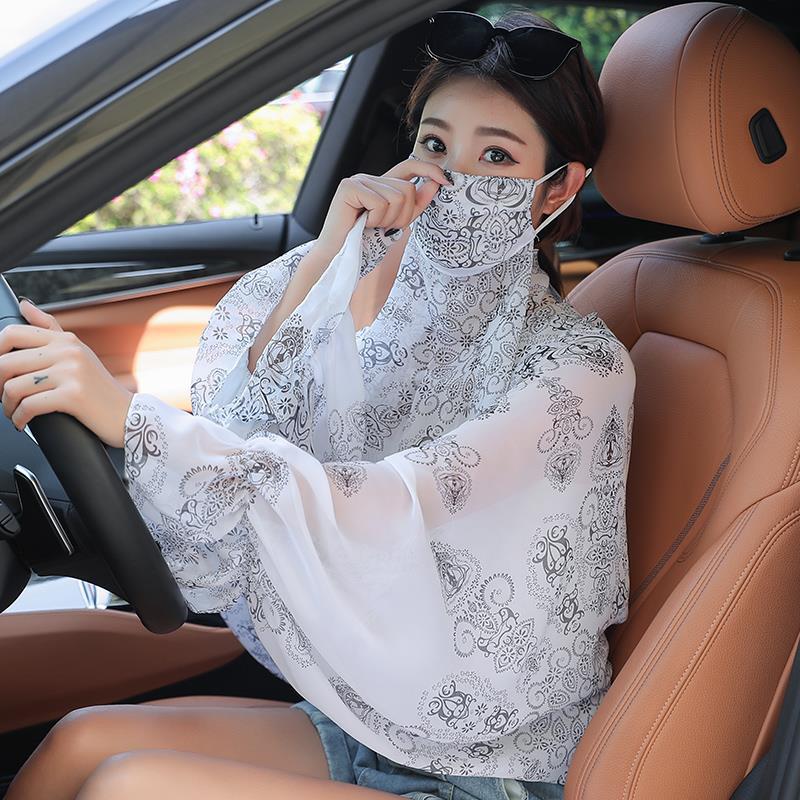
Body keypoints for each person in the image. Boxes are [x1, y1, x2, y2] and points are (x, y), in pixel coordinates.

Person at [0, 9, 634, 800]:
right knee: (79, 741)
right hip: (367, 715)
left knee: (130, 786)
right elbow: (246, 431)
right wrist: (334, 250)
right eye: (435, 145)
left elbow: (386, 507)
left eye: (496, 157)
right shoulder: (390, 319)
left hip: (494, 764)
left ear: (559, 188)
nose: (450, 180)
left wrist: (131, 420)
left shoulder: (580, 370)